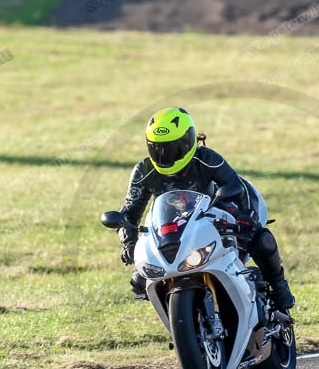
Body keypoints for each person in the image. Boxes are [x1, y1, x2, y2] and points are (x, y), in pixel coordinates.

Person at [117, 106, 295, 310]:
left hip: (212, 220)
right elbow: (129, 212)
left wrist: (246, 218)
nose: (165, 155)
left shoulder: (207, 158)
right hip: (171, 232)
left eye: (173, 148)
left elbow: (235, 185)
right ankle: (181, 326)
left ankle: (278, 283)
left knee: (261, 240)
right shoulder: (143, 171)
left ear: (189, 141)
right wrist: (128, 241)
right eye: (157, 149)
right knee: (139, 281)